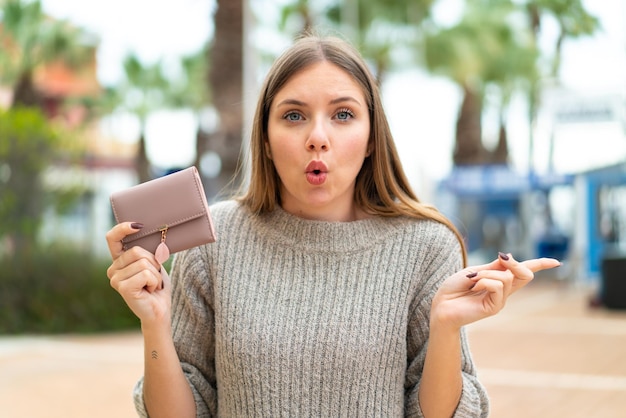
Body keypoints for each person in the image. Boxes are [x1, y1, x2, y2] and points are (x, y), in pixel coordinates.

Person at [106, 34, 560, 418]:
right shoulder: (214, 241)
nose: (317, 137)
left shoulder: (426, 246)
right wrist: (155, 324)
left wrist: (442, 326)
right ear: (264, 139)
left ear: (370, 139)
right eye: (293, 115)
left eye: (343, 115)